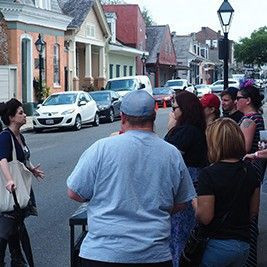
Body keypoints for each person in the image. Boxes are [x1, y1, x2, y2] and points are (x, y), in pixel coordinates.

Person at [67, 90, 196, 267]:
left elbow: (75, 192)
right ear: (155, 113)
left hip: (103, 253)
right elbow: (182, 202)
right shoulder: (171, 153)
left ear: (122, 117)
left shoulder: (101, 148)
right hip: (154, 254)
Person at [194, 118, 260, 266]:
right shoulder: (250, 170)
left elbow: (205, 217)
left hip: (216, 244)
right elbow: (253, 211)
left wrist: (194, 202)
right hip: (243, 244)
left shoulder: (208, 174)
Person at [164, 91, 207, 266]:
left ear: (184, 110)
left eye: (175, 108)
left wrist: (170, 129)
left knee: (179, 234)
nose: (172, 111)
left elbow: (167, 157)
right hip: (192, 183)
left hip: (186, 185)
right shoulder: (194, 129)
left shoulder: (185, 131)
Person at [0, 99, 44, 267]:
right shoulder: (5, 137)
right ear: (11, 117)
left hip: (20, 189)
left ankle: (17, 259)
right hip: (11, 190)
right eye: (20, 112)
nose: (25, 115)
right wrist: (9, 179)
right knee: (10, 223)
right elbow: (2, 159)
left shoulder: (20, 136)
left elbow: (23, 158)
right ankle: (17, 259)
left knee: (15, 225)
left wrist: (32, 169)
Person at [236, 80, 265, 267]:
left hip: (248, 169)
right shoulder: (257, 118)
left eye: (239, 98)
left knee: (248, 214)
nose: (236, 101)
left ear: (247, 100)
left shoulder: (249, 119)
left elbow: (243, 147)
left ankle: (249, 260)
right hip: (255, 170)